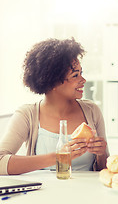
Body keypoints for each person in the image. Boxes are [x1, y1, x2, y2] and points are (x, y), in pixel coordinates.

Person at [0, 38, 109, 175]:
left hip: (87, 193)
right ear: (52, 82)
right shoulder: (27, 114)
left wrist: (101, 154)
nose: (83, 80)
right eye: (75, 75)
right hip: (43, 194)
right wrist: (59, 157)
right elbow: (1, 162)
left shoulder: (92, 111)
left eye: (81, 73)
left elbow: (104, 171)